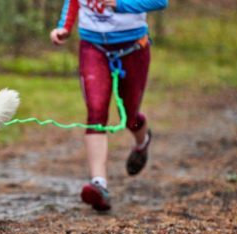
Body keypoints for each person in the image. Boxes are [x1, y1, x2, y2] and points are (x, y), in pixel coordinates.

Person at [50, 0, 168, 211]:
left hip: (133, 46)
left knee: (130, 118)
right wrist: (64, 26)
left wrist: (119, 4)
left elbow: (160, 1)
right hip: (92, 46)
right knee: (96, 112)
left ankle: (142, 142)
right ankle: (99, 184)